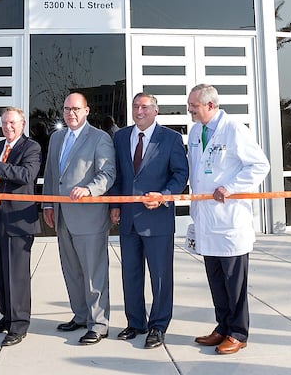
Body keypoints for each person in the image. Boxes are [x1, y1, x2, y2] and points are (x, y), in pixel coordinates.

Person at [186, 84, 270, 356]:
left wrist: (231, 187)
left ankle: (238, 333)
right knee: (216, 280)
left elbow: (260, 165)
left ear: (210, 105)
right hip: (207, 220)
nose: (190, 110)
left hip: (230, 220)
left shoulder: (234, 129)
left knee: (234, 283)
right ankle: (222, 327)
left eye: (194, 106)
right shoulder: (197, 131)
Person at [110, 92, 188, 350]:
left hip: (157, 219)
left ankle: (158, 325)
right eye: (135, 106)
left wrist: (165, 196)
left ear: (156, 111)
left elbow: (180, 175)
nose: (139, 111)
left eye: (145, 107)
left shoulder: (172, 139)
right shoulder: (121, 137)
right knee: (130, 274)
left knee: (160, 276)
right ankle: (135, 322)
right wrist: (115, 205)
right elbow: (119, 176)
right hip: (129, 219)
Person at [43, 92, 116, 345]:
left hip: (89, 218)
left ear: (86, 111)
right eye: (66, 109)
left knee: (94, 273)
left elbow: (108, 172)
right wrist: (48, 206)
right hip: (62, 216)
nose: (70, 113)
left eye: (75, 109)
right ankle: (81, 315)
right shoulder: (56, 138)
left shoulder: (100, 138)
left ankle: (99, 323)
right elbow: (52, 175)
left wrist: (89, 189)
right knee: (72, 271)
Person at [0, 106, 42, 347]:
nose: (8, 127)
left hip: (19, 221)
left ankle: (19, 325)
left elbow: (27, 175)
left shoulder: (32, 148)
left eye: (13, 123)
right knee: (1, 272)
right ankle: (6, 317)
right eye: (5, 123)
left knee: (17, 275)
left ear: (22, 124)